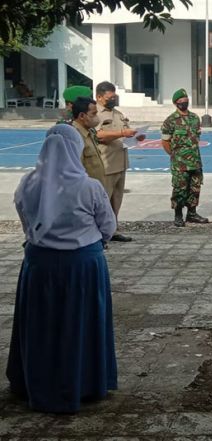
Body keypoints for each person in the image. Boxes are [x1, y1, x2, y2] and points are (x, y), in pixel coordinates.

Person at [6, 124, 118, 413]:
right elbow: (107, 226)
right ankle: (85, 383)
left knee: (41, 324)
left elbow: (27, 222)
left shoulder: (27, 184)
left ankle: (34, 382)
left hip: (38, 265)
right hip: (82, 266)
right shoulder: (88, 186)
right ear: (75, 148)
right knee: (80, 323)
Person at [95, 81, 141, 242]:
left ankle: (112, 230)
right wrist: (122, 132)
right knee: (103, 200)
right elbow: (98, 135)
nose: (113, 99)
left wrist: (136, 136)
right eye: (110, 97)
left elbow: (126, 133)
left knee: (116, 199)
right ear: (99, 97)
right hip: (105, 163)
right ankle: (98, 234)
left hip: (120, 162)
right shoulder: (94, 114)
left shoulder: (118, 114)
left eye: (114, 96)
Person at [161, 89, 209, 227]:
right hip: (180, 163)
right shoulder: (170, 121)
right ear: (176, 103)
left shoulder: (195, 118)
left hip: (195, 161)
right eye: (181, 100)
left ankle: (192, 214)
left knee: (195, 188)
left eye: (186, 99)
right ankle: (178, 215)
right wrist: (175, 156)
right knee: (179, 190)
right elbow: (165, 142)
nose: (184, 102)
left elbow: (196, 137)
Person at [71, 96, 106, 188]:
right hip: (86, 191)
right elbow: (75, 171)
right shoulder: (75, 137)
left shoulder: (89, 132)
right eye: (93, 114)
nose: (96, 117)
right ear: (82, 116)